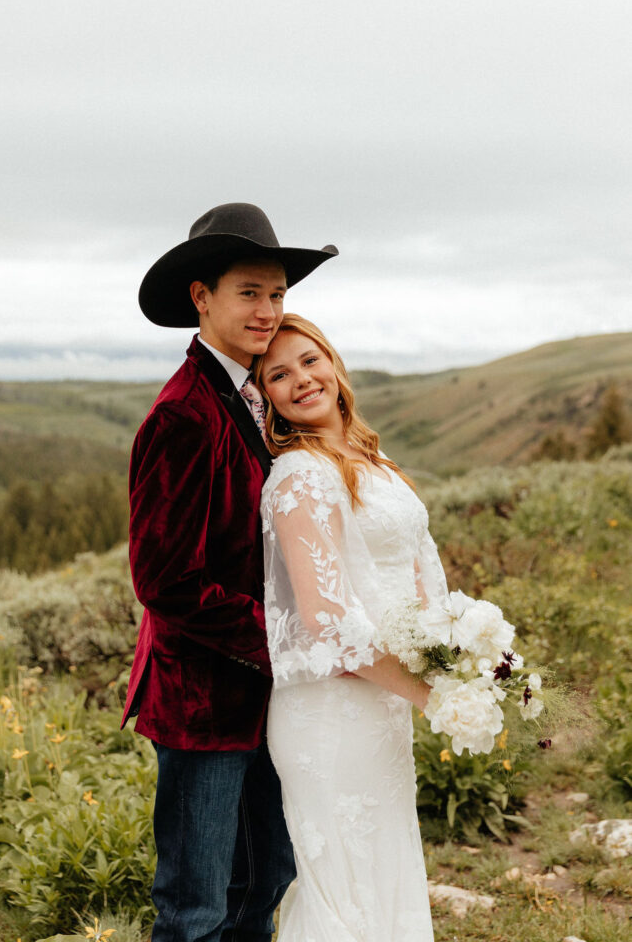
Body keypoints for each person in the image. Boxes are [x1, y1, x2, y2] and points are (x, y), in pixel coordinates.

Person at [121, 205, 338, 942]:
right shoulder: (182, 416)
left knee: (262, 884)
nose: (267, 311)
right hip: (204, 704)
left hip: (267, 696)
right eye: (249, 292)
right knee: (194, 910)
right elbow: (166, 580)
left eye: (276, 295)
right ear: (201, 297)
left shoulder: (253, 399)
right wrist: (287, 644)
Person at [253, 313, 444, 942]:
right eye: (278, 375)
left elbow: (414, 568)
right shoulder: (300, 474)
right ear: (268, 398)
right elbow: (328, 621)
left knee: (383, 870)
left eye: (309, 360)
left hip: (381, 696)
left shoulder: (372, 458)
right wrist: (431, 694)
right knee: (345, 884)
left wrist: (453, 660)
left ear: (332, 361)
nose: (301, 380)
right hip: (332, 708)